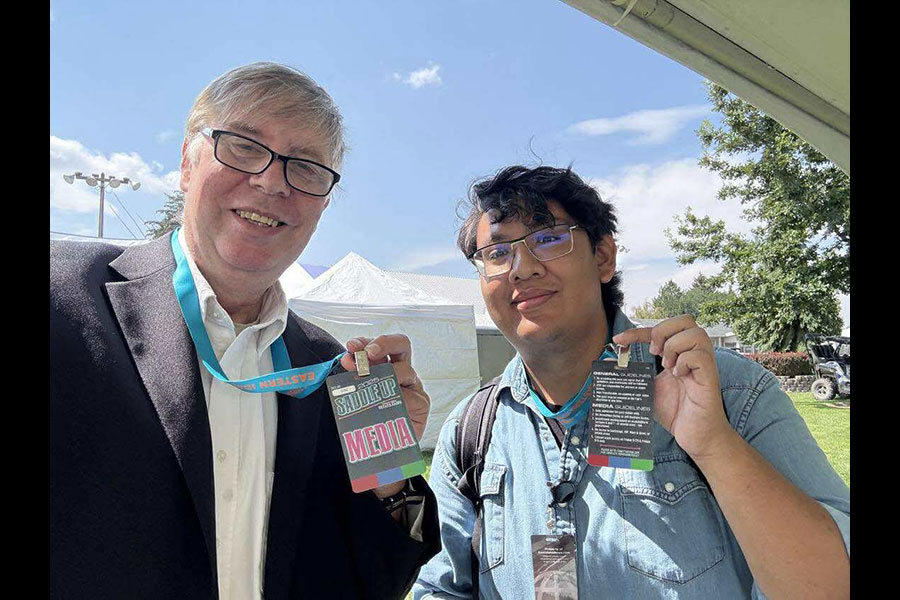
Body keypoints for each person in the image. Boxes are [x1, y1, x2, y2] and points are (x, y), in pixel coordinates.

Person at [50, 62, 439, 599]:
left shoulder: (331, 367)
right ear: (187, 162)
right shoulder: (63, 299)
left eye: (306, 167)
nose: (272, 181)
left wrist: (390, 462)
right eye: (244, 146)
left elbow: (379, 578)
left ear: (324, 202)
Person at [413, 165, 850, 599]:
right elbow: (442, 589)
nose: (521, 268)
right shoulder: (471, 432)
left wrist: (713, 444)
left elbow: (832, 586)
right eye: (497, 254)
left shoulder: (728, 392)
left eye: (548, 239)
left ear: (603, 257)